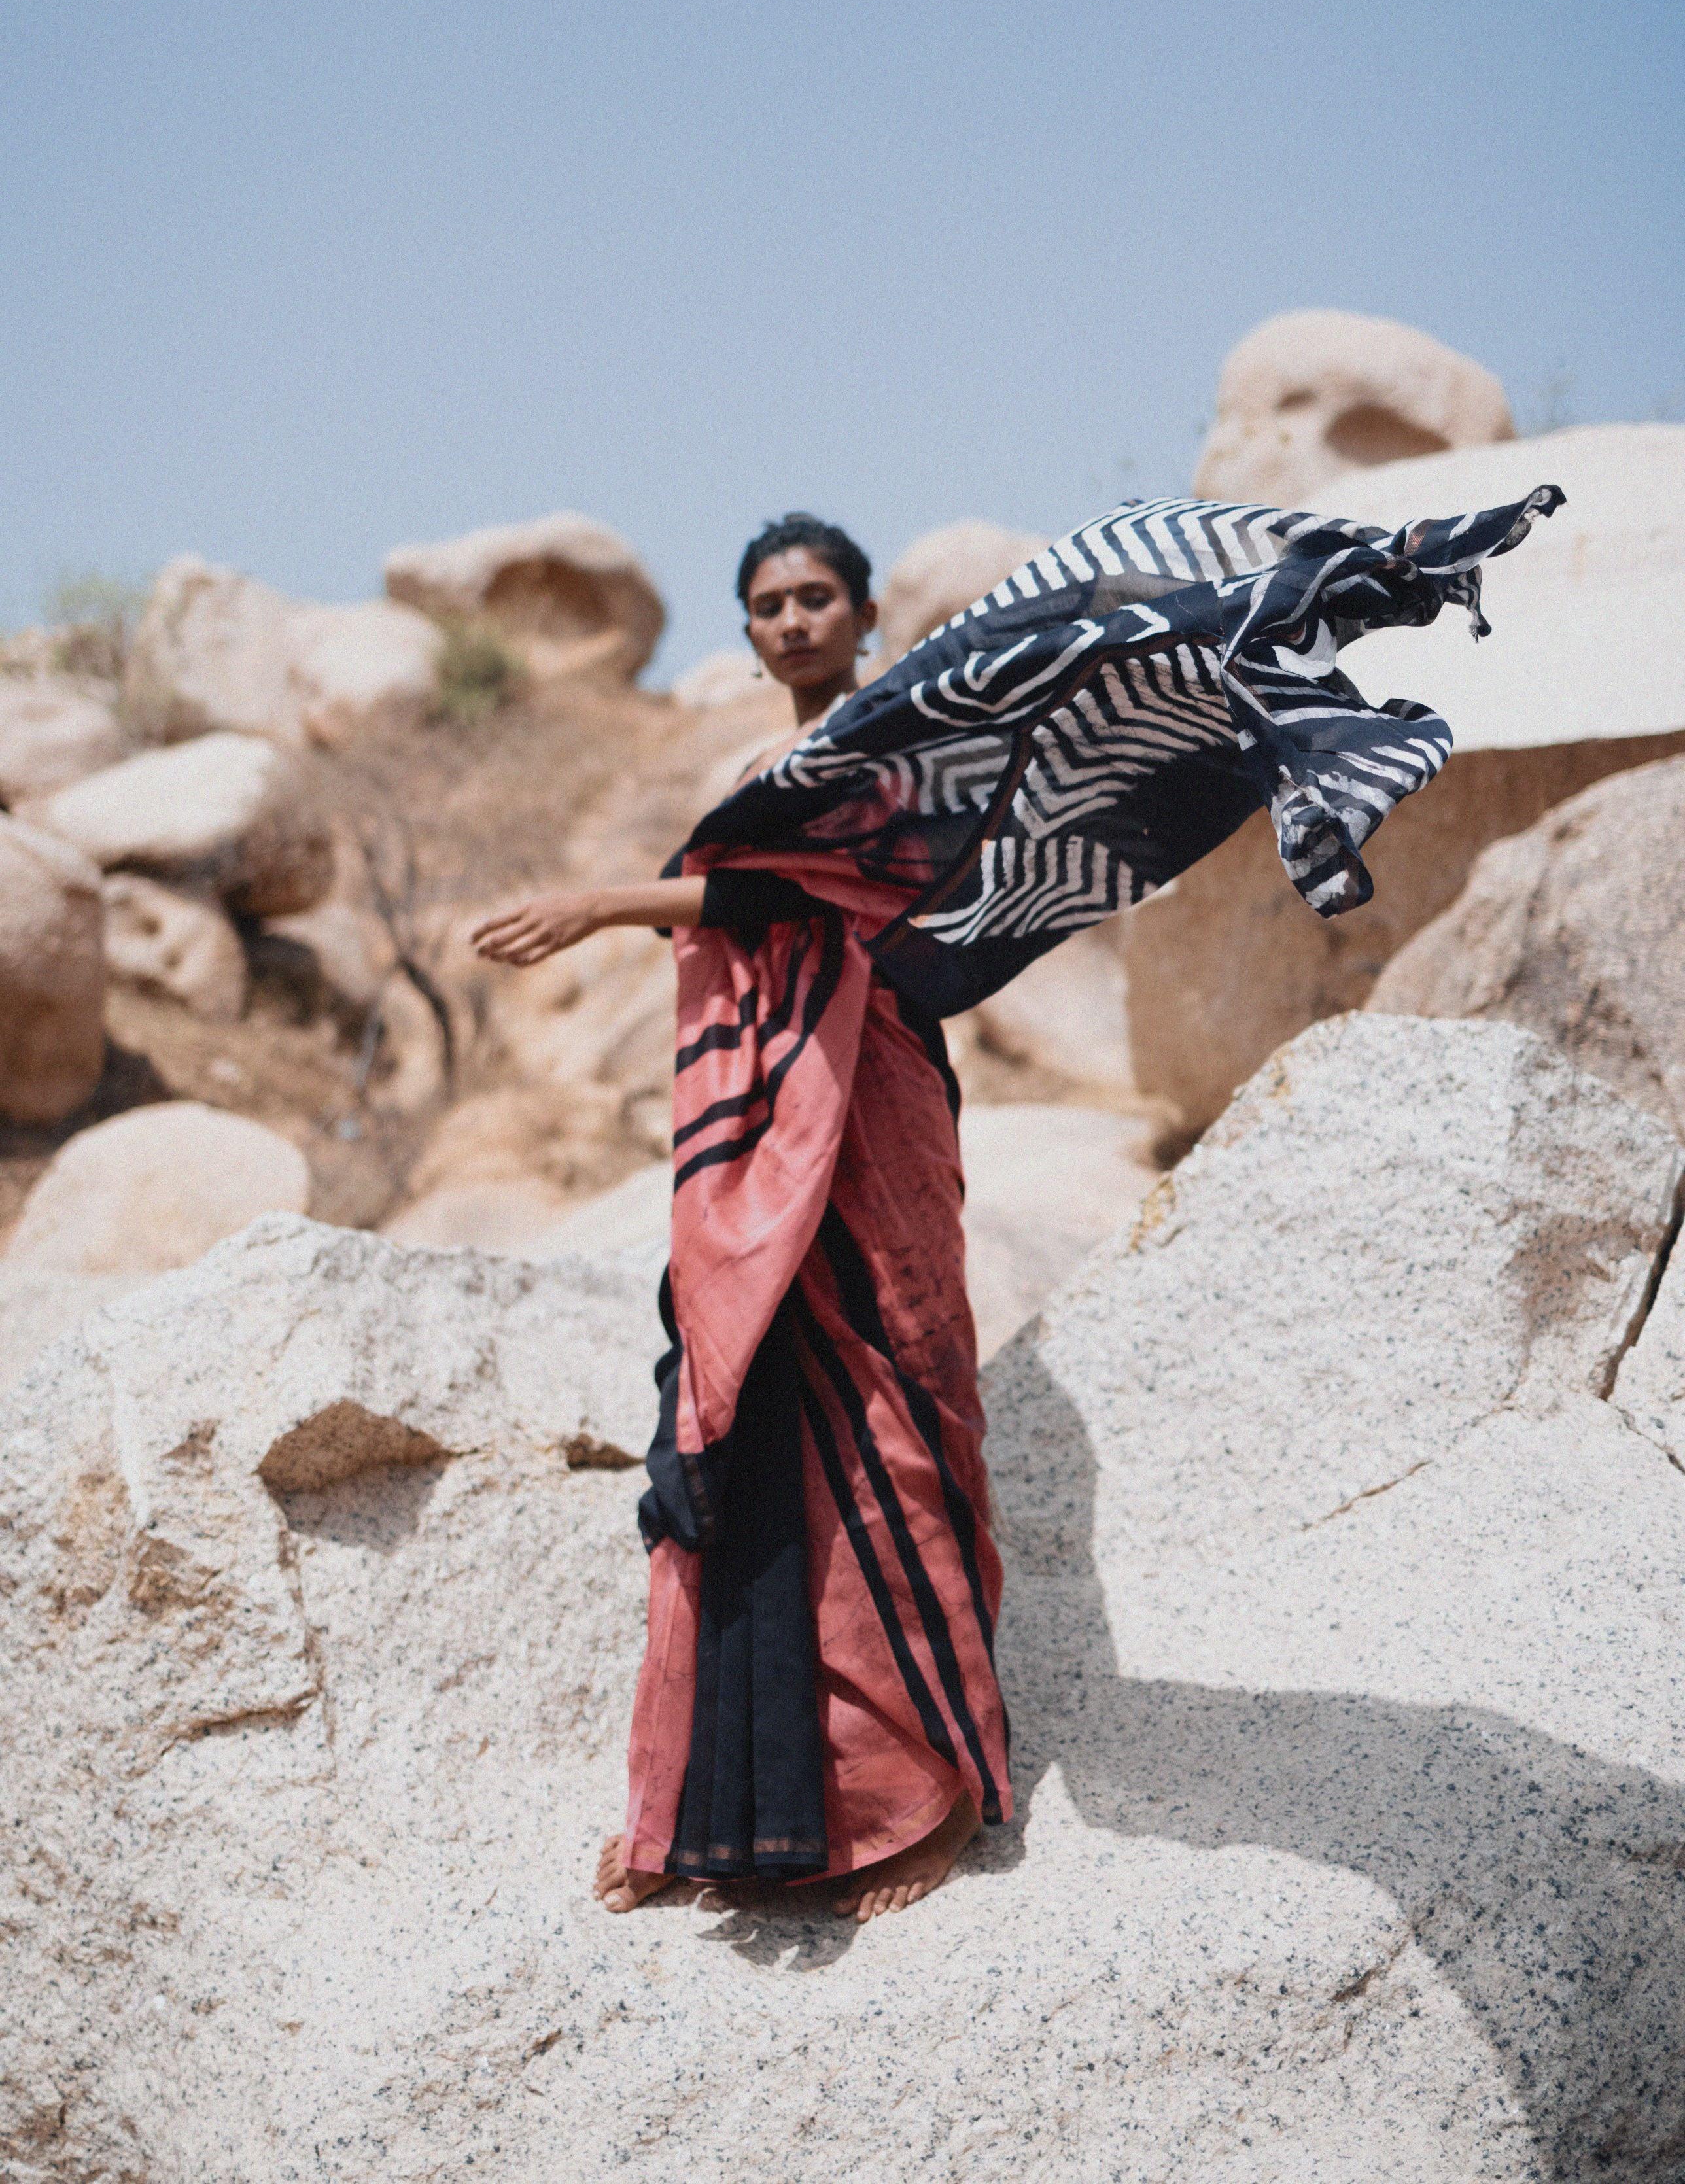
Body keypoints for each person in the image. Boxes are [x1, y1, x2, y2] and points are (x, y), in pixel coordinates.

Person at [473, 478, 1567, 1926]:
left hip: (878, 1105)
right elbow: (761, 902)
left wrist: (611, 901)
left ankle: (923, 1790)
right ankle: (702, 1806)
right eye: (769, 605)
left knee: (896, 1414)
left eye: (817, 597)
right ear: (747, 633)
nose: (794, 618)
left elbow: (821, 895)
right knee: (740, 1417)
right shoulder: (767, 764)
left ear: (864, 616)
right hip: (762, 1122)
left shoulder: (919, 737)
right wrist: (655, 892)